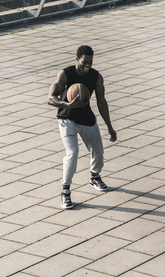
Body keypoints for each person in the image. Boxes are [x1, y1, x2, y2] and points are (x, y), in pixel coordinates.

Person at [48, 45, 117, 209]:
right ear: (77, 59)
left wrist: (110, 127)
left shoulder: (96, 77)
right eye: (84, 62)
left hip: (86, 119)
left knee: (98, 152)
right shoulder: (65, 74)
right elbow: (50, 98)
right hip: (67, 119)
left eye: (90, 63)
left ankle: (94, 176)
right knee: (73, 153)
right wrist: (67, 104)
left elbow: (101, 102)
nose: (87, 66)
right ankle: (65, 191)